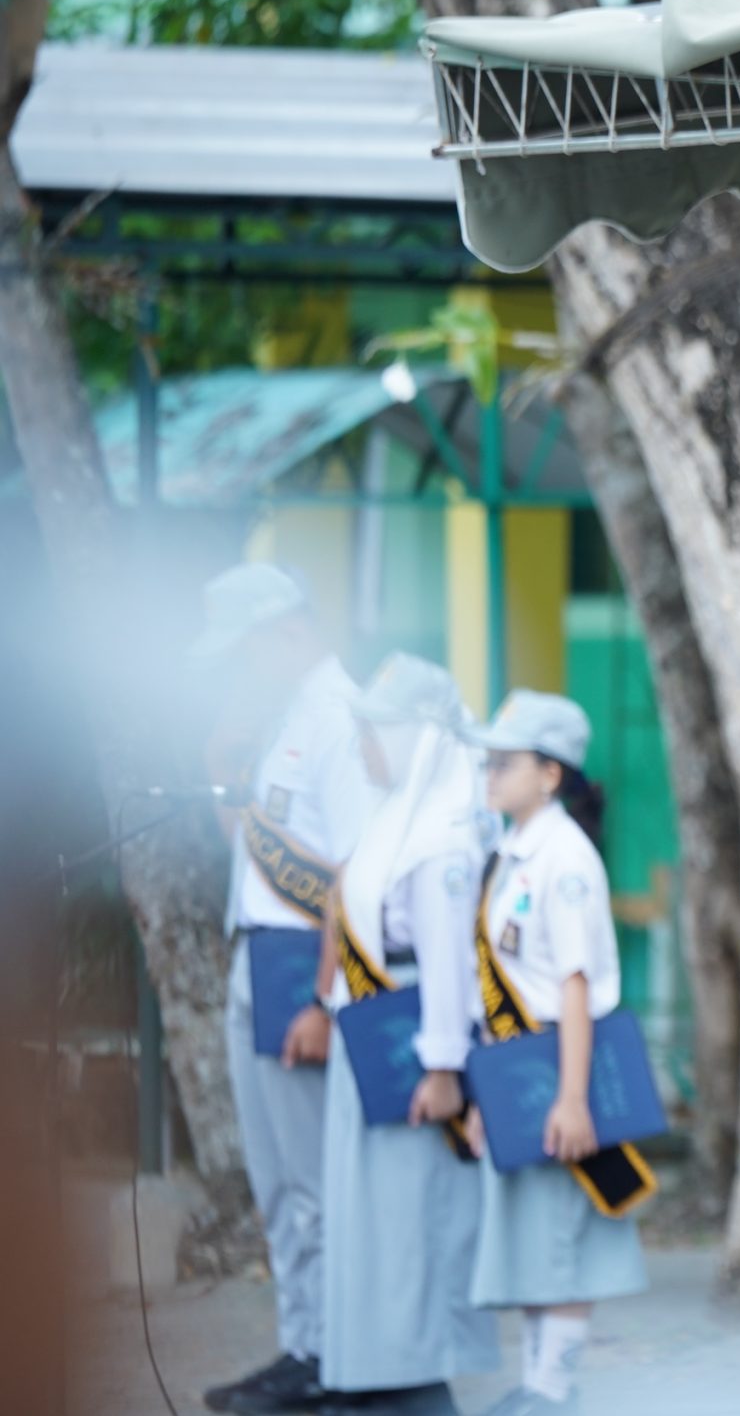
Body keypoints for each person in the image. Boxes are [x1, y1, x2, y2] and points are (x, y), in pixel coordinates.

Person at [196, 562, 381, 1416]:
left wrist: (321, 996)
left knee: (312, 1182)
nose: (236, 669)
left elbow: (356, 871)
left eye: (241, 651)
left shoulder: (339, 716)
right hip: (256, 952)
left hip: (299, 965)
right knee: (278, 1183)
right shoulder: (285, 717)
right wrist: (225, 773)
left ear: (281, 631)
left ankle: (338, 1358)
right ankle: (304, 1345)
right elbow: (258, 846)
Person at [316, 655, 499, 1415]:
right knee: (372, 1217)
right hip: (376, 1033)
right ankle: (371, 1372)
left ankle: (414, 1382)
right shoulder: (402, 820)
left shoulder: (442, 839)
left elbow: (450, 963)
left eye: (372, 732)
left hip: (417, 1048)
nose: (361, 748)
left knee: (411, 1221)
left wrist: (445, 1067)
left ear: (415, 738)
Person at [466, 690, 648, 1416]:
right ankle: (539, 1385)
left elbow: (574, 986)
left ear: (549, 773)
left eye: (503, 763)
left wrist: (572, 1099)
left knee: (565, 1235)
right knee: (534, 1233)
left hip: (558, 1065)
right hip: (520, 1066)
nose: (490, 774)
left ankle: (554, 1387)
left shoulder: (563, 858)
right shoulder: (514, 851)